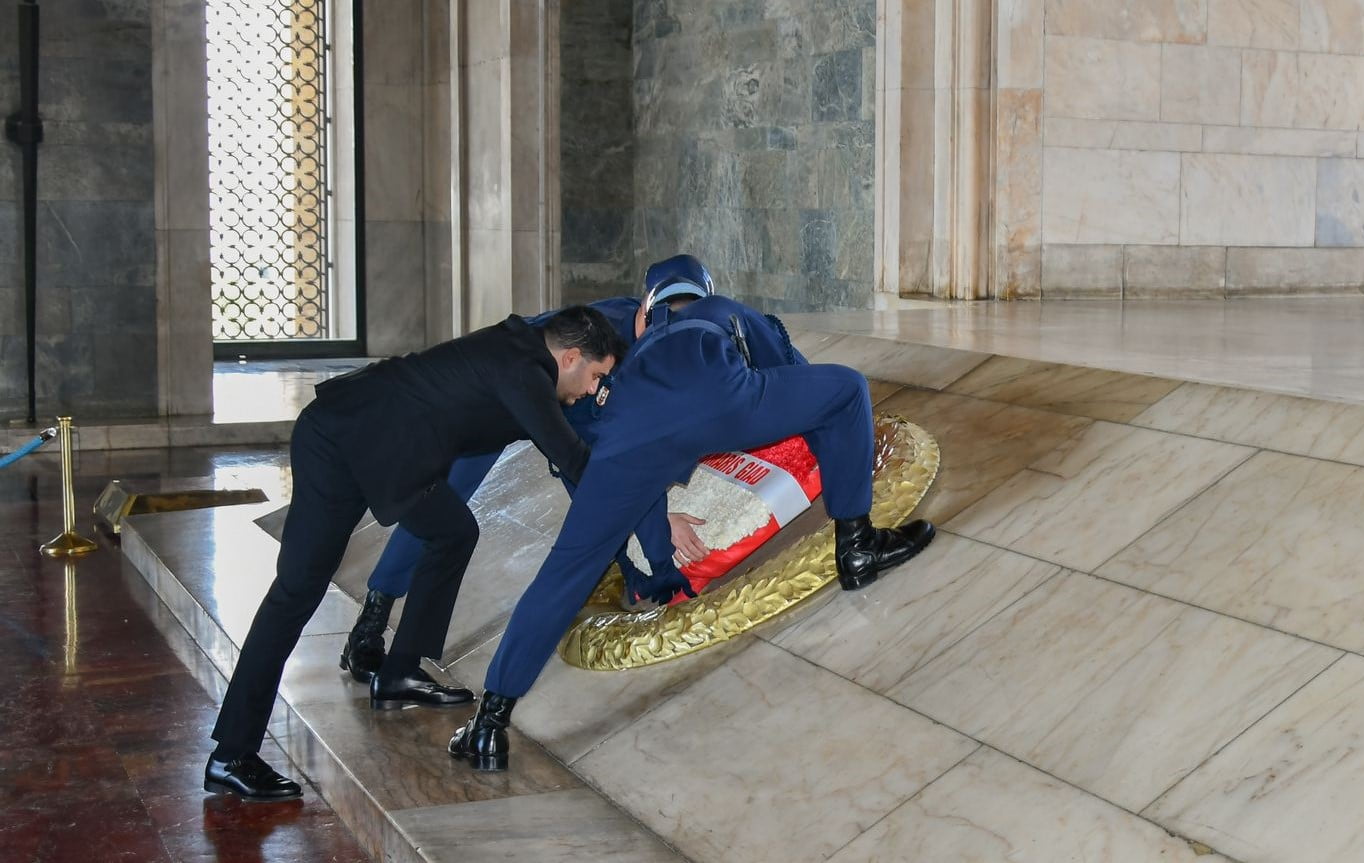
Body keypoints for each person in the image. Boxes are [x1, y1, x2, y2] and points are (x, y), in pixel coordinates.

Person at [447, 256, 934, 771]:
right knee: (847, 388)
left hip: (633, 435)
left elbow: (612, 460)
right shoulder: (727, 311)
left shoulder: (628, 364)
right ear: (701, 292)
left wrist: (654, 556)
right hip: (729, 400)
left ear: (646, 312)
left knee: (563, 574)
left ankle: (490, 723)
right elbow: (795, 377)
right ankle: (857, 549)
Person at [203, 308, 625, 802]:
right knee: (296, 593)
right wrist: (647, 509)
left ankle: (400, 669)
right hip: (339, 440)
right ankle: (232, 754)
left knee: (453, 532)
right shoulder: (523, 371)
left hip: (388, 453)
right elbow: (572, 457)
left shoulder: (524, 352)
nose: (589, 390)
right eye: (594, 376)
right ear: (570, 356)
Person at [337, 291, 694, 685]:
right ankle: (370, 624)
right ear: (646, 309)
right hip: (497, 401)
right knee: (439, 499)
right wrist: (649, 527)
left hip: (537, 402)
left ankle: (392, 651)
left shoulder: (634, 353)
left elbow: (599, 464)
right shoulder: (595, 343)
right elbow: (587, 468)